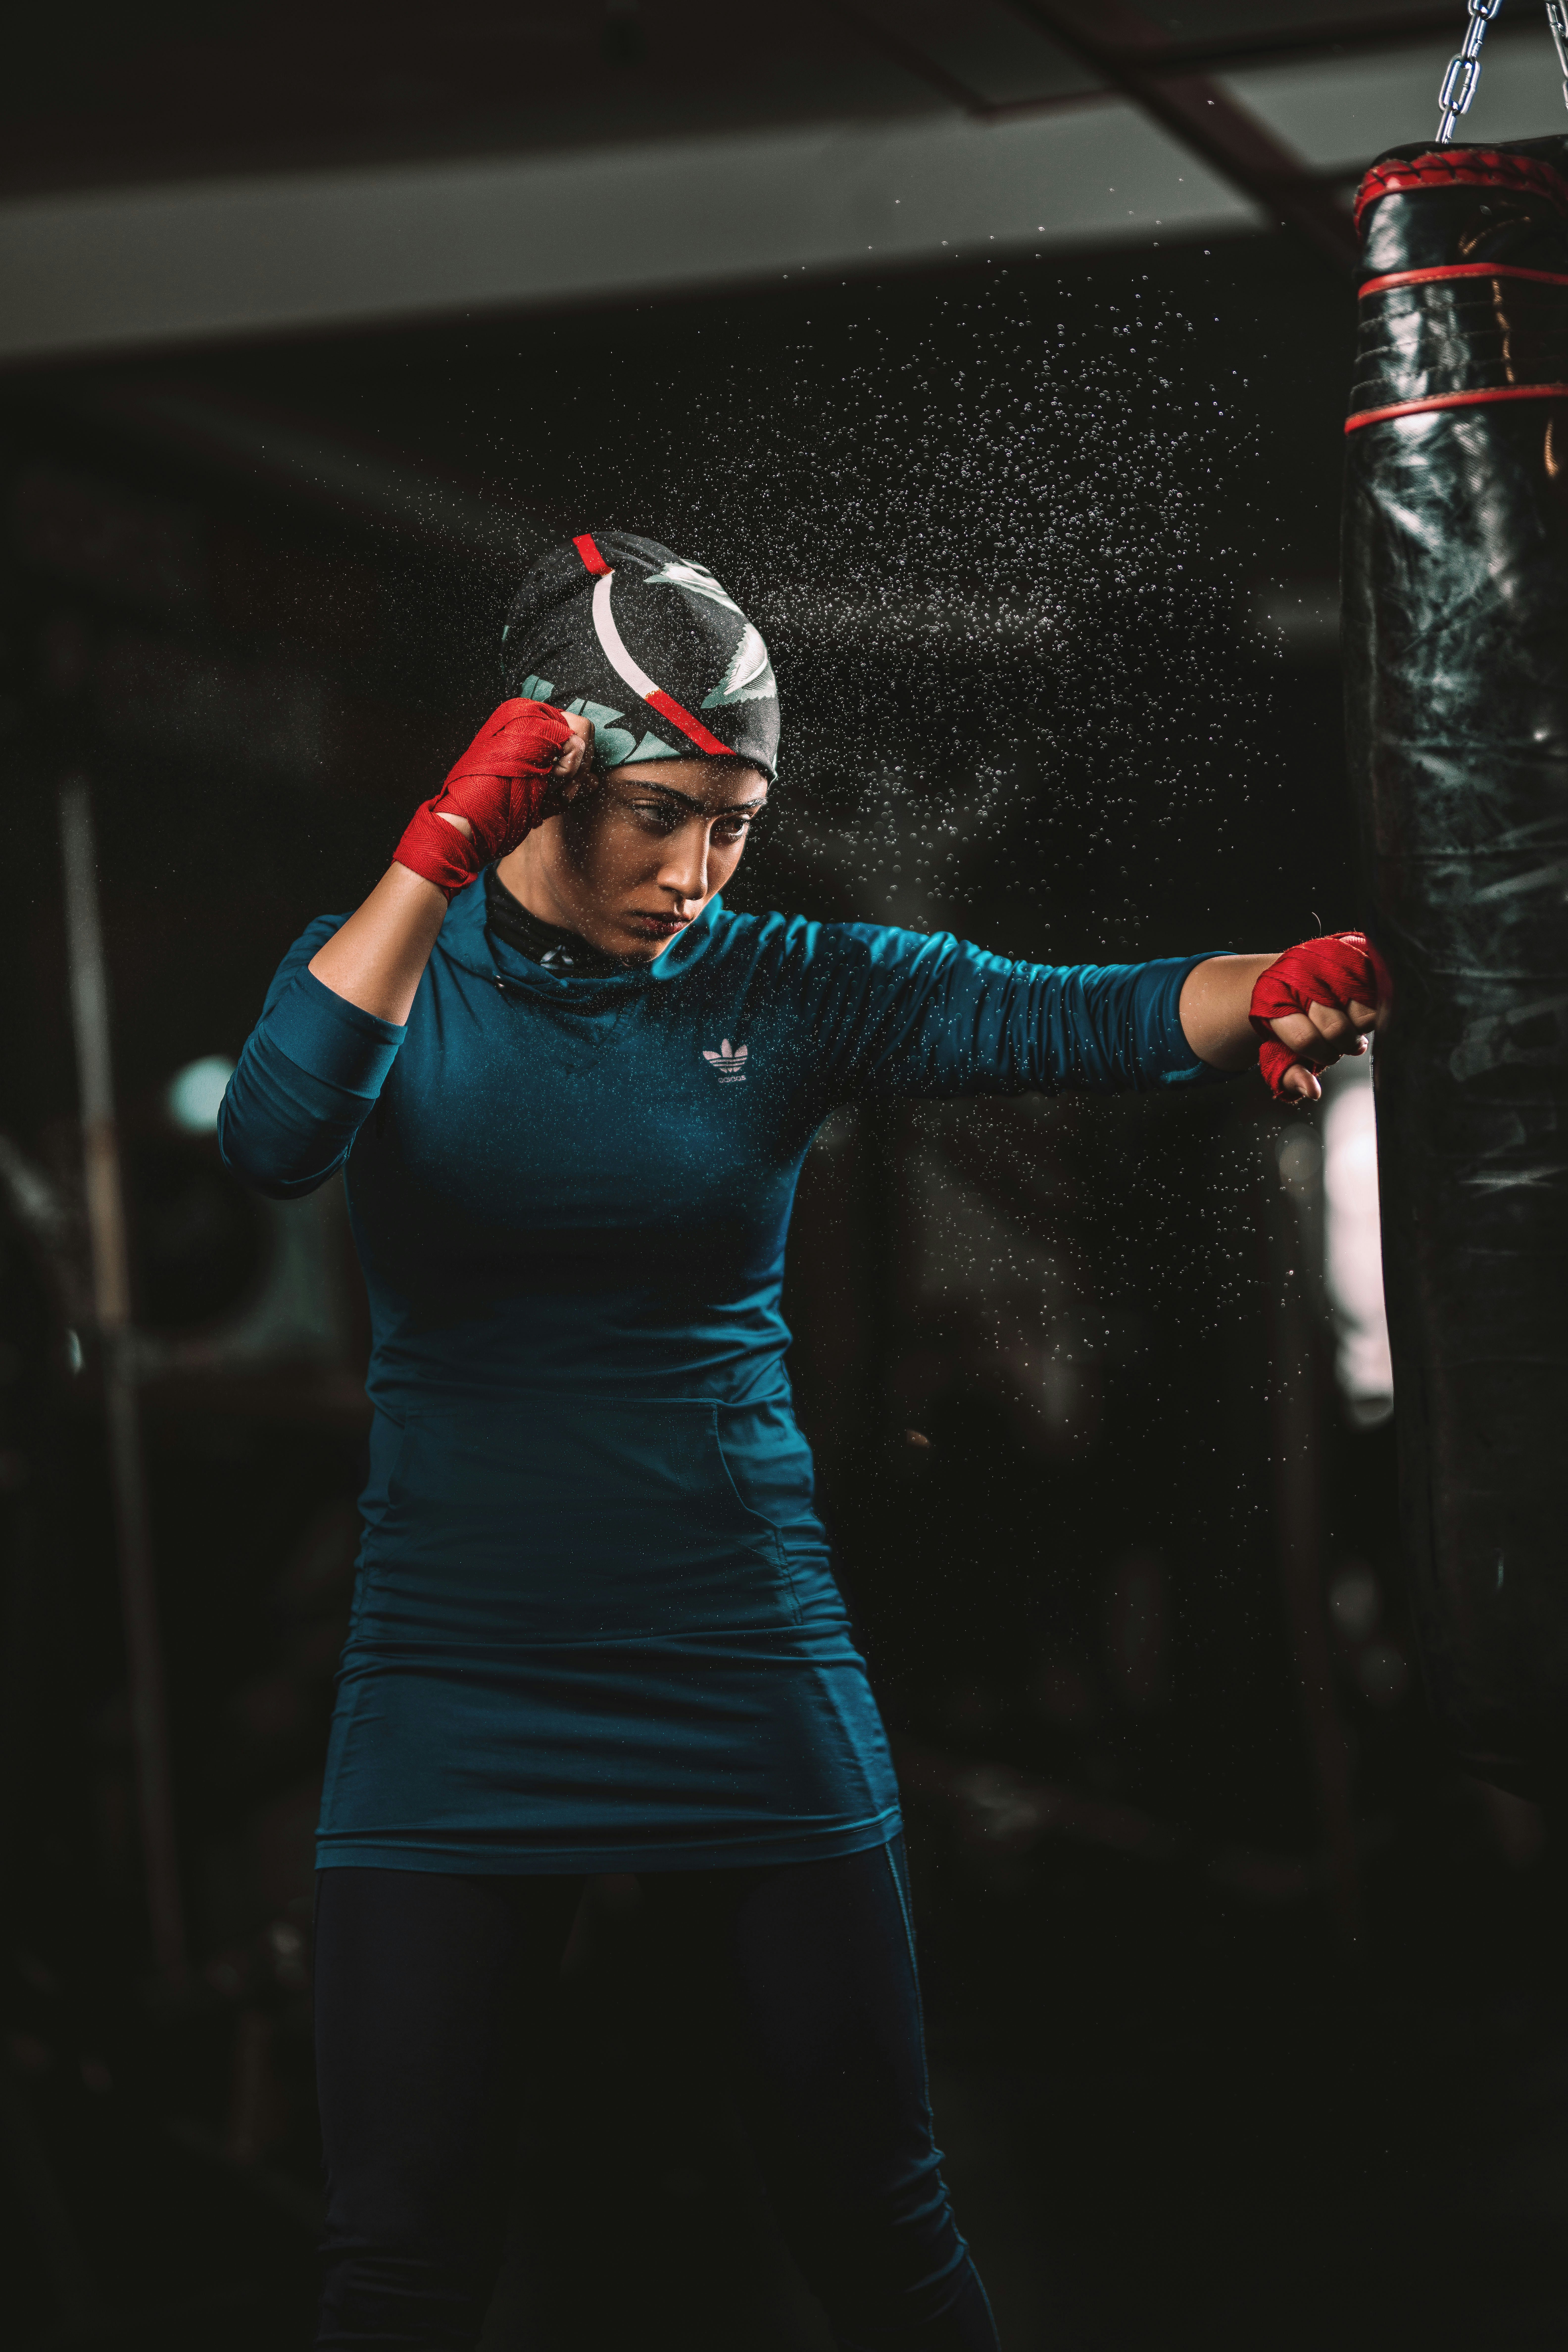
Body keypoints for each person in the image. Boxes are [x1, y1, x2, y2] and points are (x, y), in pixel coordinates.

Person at [220, 530, 1379, 2351]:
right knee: (402, 2260)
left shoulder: (780, 982)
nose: (699, 871)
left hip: (739, 1654)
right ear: (541, 771)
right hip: (458, 1675)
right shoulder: (382, 976)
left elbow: (1064, 1008)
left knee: (881, 2222)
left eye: (736, 822)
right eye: (664, 813)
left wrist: (1280, 982)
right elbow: (279, 1132)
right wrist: (433, 856)